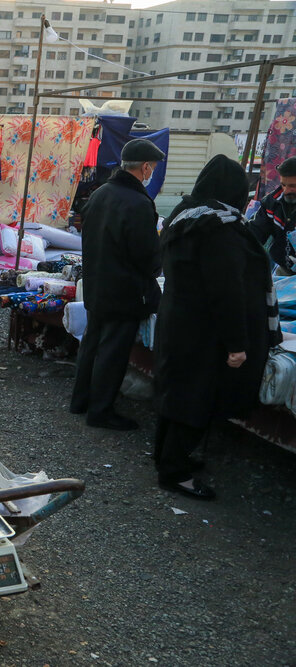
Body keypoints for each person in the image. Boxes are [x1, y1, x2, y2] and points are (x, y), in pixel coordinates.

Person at [153, 156, 282, 500]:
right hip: (204, 331)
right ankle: (174, 473)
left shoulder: (185, 217)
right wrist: (237, 344)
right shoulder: (219, 230)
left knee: (176, 392)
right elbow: (226, 292)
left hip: (180, 321)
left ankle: (167, 458)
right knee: (195, 397)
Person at [71, 138, 164, 430]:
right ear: (146, 168)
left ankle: (81, 401)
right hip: (124, 290)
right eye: (152, 168)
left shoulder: (101, 194)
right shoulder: (138, 202)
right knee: (113, 351)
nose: (151, 173)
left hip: (97, 283)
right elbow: (146, 254)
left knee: (92, 342)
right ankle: (101, 412)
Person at [250, 156, 296, 275]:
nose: (286, 191)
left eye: (292, 186)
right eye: (283, 185)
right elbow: (256, 232)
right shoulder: (272, 203)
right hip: (284, 270)